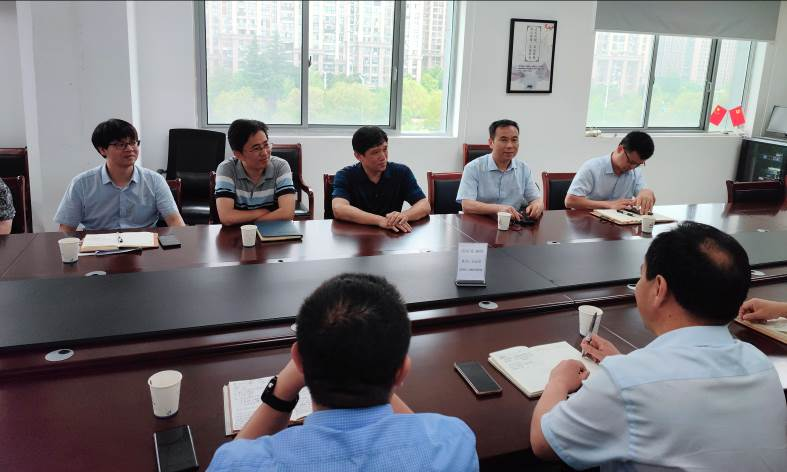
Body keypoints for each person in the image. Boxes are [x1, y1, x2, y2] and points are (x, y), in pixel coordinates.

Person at [531, 221, 787, 471]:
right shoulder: (760, 364)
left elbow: (544, 443)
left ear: (659, 289)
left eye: (642, 275)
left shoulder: (627, 381)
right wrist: (625, 365)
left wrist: (559, 381)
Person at [207, 273, 478, 472]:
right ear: (401, 372)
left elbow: (233, 457)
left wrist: (282, 390)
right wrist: (373, 366)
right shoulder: (453, 442)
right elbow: (418, 432)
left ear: (298, 361)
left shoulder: (238, 464)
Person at [54, 119, 185, 231]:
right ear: (102, 150)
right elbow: (66, 229)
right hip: (97, 247)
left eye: (133, 142)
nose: (130, 149)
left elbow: (175, 221)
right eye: (121, 144)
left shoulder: (155, 180)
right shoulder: (81, 184)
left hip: (145, 245)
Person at [332, 126, 430, 233]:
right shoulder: (345, 175)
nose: (383, 157)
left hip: (392, 236)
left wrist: (403, 216)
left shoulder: (401, 172)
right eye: (375, 152)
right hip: (357, 236)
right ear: (358, 156)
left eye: (385, 149)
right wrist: (380, 220)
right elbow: (339, 209)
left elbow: (424, 205)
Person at [456, 119, 544, 221]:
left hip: (513, 225)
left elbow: (536, 199)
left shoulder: (524, 169)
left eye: (514, 140)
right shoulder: (473, 168)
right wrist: (498, 209)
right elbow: (467, 205)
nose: (510, 145)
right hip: (480, 223)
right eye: (504, 140)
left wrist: (537, 205)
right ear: (491, 143)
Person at [214, 119, 296, 225]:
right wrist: (262, 212)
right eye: (256, 148)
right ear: (238, 155)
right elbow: (227, 217)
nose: (265, 153)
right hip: (237, 233)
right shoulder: (226, 169)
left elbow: (287, 213)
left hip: (272, 231)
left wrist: (251, 224)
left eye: (266, 145)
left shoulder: (280, 166)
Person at [565, 131, 657, 214]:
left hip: (619, 223)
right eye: (631, 162)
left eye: (638, 164)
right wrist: (609, 205)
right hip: (587, 221)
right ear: (620, 149)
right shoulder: (592, 167)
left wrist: (647, 192)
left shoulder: (635, 171)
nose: (632, 167)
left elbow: (643, 192)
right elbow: (570, 201)